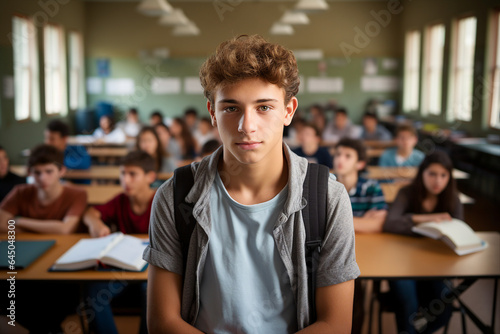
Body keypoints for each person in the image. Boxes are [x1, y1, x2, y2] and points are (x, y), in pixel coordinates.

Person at [143, 34, 359, 333]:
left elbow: (335, 324)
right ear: (213, 113)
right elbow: (162, 322)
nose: (247, 126)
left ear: (288, 111)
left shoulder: (328, 198)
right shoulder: (175, 195)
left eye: (264, 107)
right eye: (231, 108)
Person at [383, 151, 461, 334]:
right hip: (402, 262)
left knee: (443, 309)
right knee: (408, 303)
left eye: (443, 175)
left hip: (437, 264)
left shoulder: (453, 198)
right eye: (432, 174)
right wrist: (426, 219)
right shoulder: (407, 193)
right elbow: (391, 223)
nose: (438, 181)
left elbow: (460, 231)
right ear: (422, 173)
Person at [83, 150, 157, 334]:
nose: (126, 180)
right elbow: (90, 213)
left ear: (150, 177)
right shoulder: (120, 200)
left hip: (152, 267)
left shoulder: (161, 199)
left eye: (132, 174)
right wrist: (97, 225)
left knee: (151, 291)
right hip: (122, 267)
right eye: (123, 173)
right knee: (93, 291)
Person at [0, 144, 87, 234]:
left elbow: (64, 229)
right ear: (29, 172)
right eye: (37, 172)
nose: (43, 178)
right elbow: (1, 223)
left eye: (49, 171)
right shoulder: (20, 192)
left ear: (62, 171)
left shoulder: (77, 194)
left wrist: (17, 221)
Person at [334, 138, 387, 233]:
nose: (340, 159)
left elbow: (379, 224)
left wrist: (335, 222)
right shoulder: (326, 187)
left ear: (360, 164)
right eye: (338, 154)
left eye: (348, 156)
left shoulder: (372, 187)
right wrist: (363, 222)